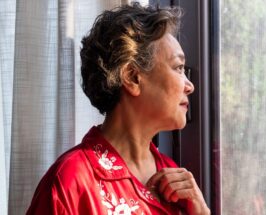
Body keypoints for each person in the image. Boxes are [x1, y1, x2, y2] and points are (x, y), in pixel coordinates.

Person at [26, 2, 210, 215]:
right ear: (132, 77)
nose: (190, 85)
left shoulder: (173, 180)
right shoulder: (70, 181)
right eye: (178, 68)